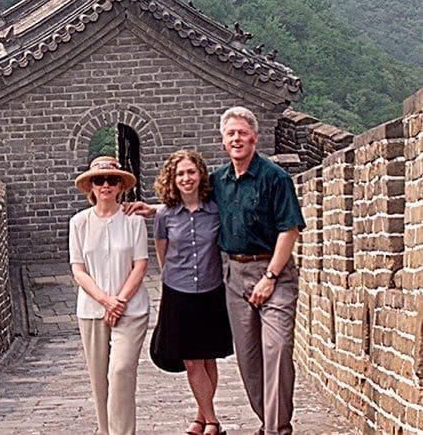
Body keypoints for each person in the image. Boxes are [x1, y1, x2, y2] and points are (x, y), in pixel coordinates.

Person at [128, 106, 305, 435]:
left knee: (277, 348)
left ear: (255, 136)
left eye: (242, 132)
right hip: (234, 277)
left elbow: (290, 230)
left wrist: (270, 278)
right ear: (223, 142)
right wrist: (155, 210)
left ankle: (277, 429)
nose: (237, 138)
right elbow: (187, 200)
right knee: (249, 359)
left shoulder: (274, 177)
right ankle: (267, 421)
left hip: (273, 272)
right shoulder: (219, 181)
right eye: (230, 134)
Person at [151, 150, 232, 435]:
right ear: (172, 180)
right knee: (191, 359)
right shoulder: (164, 215)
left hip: (211, 290)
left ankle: (200, 417)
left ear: (200, 175)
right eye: (180, 174)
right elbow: (163, 254)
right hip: (178, 292)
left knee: (207, 356)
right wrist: (177, 276)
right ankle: (212, 421)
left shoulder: (216, 210)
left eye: (191, 172)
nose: (186, 178)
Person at [70, 156, 150, 435]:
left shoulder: (133, 220)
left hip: (131, 308)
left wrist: (119, 302)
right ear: (90, 186)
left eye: (112, 180)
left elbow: (140, 264)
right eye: (99, 180)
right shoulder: (78, 223)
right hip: (92, 309)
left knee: (121, 371)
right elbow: (78, 269)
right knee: (99, 380)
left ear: (120, 186)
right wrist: (105, 300)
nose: (106, 185)